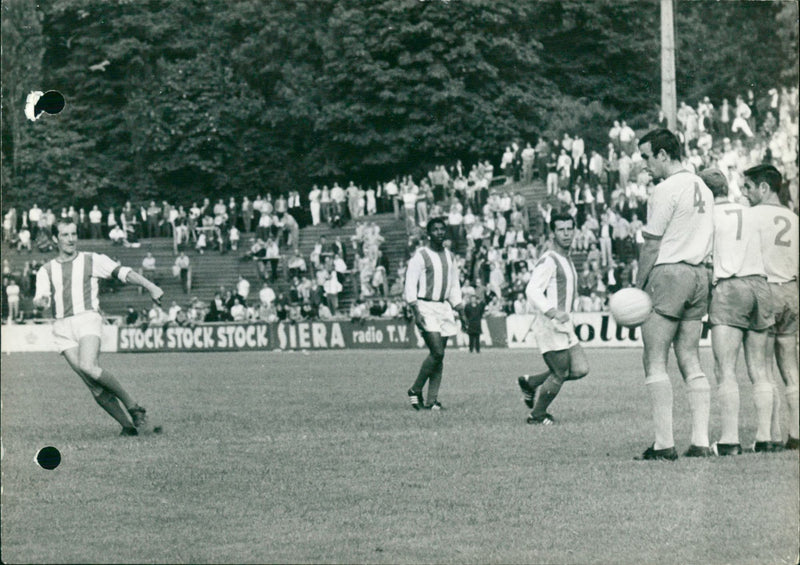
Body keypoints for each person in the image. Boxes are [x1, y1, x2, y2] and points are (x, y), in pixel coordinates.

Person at [33, 218, 164, 436]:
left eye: (73, 234)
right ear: (56, 238)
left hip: (87, 318)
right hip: (61, 327)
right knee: (92, 384)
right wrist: (40, 303)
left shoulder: (91, 259)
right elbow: (40, 299)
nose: (71, 239)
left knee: (88, 366)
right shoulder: (45, 270)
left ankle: (134, 406)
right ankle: (128, 427)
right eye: (65, 235)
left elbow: (123, 272)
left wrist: (151, 286)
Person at [635, 128, 714, 460]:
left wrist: (637, 286)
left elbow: (652, 244)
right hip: (699, 275)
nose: (645, 165)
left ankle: (664, 444)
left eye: (647, 157)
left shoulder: (666, 188)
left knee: (654, 358)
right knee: (690, 357)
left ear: (663, 155)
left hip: (670, 272)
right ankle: (699, 442)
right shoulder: (703, 187)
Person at [700, 168, 774, 456]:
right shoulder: (750, 211)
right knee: (760, 370)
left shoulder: (709, 216)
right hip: (760, 285)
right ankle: (765, 438)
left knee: (725, 369)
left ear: (706, 193)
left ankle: (730, 440)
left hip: (731, 287)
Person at [743, 164, 799, 450]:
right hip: (790, 290)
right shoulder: (793, 217)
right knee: (790, 365)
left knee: (761, 366)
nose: (745, 194)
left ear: (764, 188)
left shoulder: (751, 217)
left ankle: (767, 436)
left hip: (765, 291)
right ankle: (796, 433)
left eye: (749, 187)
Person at [516, 213, 589, 425]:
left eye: (569, 229)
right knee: (560, 373)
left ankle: (531, 383)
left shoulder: (566, 259)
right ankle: (537, 415)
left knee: (581, 368)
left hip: (564, 325)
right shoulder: (549, 259)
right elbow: (532, 290)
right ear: (553, 233)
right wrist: (552, 311)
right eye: (561, 230)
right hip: (550, 325)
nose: (566, 234)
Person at [404, 217, 467, 411]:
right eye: (435, 230)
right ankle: (415, 390)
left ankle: (432, 400)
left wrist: (460, 309)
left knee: (439, 356)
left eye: (442, 229)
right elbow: (410, 282)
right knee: (437, 351)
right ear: (428, 234)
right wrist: (415, 310)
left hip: (443, 307)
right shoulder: (421, 255)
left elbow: (454, 284)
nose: (439, 232)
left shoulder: (449, 256)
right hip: (425, 306)